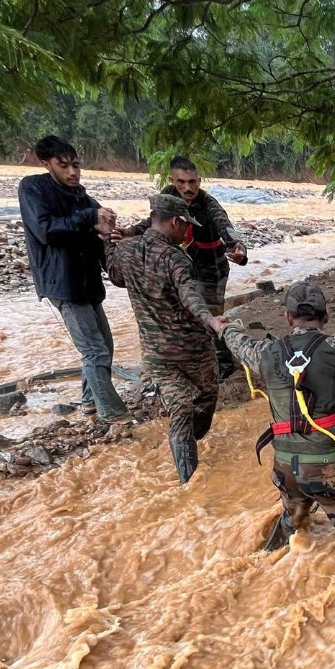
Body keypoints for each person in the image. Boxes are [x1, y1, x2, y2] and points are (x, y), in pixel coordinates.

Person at [221, 281, 335, 550]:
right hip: (328, 469)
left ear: (288, 318)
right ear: (326, 316)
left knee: (291, 525)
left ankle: (267, 555)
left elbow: (236, 341)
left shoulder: (265, 352)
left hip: (285, 469)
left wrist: (223, 327)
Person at [107, 194, 225, 483]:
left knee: (181, 408)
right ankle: (191, 476)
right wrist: (211, 319)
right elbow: (189, 294)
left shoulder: (125, 250)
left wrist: (109, 242)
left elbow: (115, 276)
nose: (187, 232)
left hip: (156, 355)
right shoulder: (175, 258)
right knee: (205, 397)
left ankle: (188, 484)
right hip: (193, 350)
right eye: (186, 225)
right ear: (175, 222)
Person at [17, 135, 131, 422]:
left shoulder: (83, 197)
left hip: (88, 282)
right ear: (46, 164)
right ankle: (113, 414)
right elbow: (45, 231)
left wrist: (112, 240)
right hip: (62, 283)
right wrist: (90, 217)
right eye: (64, 165)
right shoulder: (33, 188)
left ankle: (90, 403)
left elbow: (98, 240)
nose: (72, 172)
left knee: (104, 347)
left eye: (76, 165)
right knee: (94, 351)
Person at [120, 156, 247, 379]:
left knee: (212, 316)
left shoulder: (208, 203)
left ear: (199, 181)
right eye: (181, 182)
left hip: (211, 267)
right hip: (181, 264)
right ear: (172, 180)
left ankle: (224, 363)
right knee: (183, 313)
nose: (188, 188)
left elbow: (225, 225)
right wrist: (129, 233)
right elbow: (153, 221)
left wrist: (238, 247)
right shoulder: (168, 196)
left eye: (192, 182)